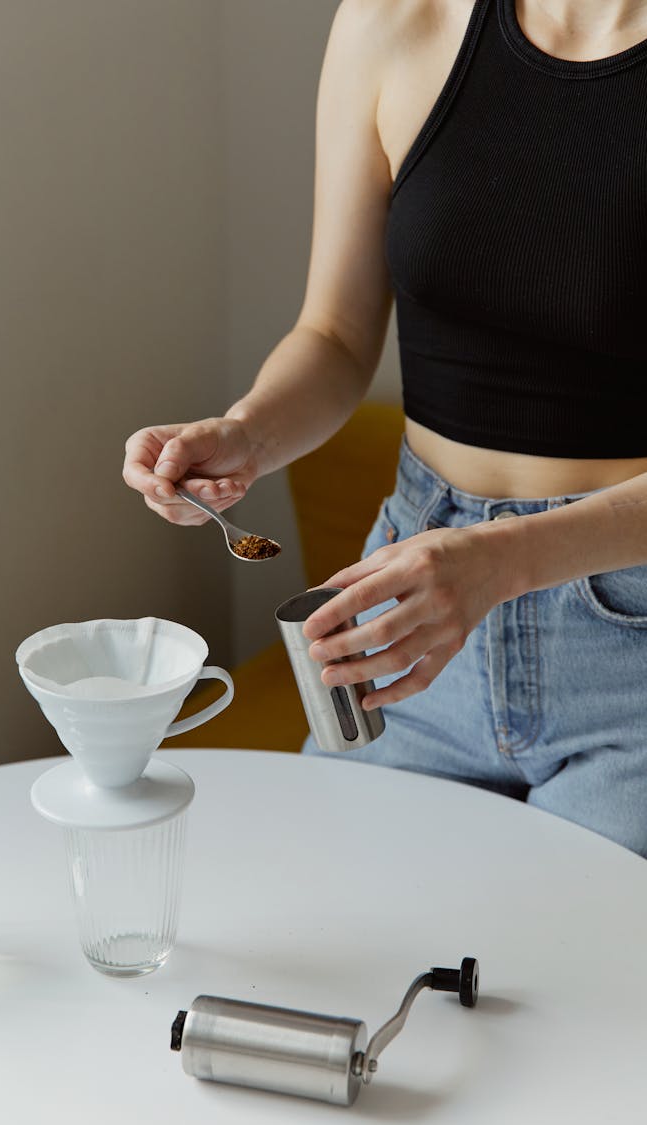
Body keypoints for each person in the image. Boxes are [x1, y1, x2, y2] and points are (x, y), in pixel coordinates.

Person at [123, 0, 647, 858]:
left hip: (630, 639)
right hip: (404, 611)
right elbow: (333, 335)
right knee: (350, 947)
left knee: (596, 980)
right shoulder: (392, 23)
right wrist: (249, 432)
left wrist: (501, 562)